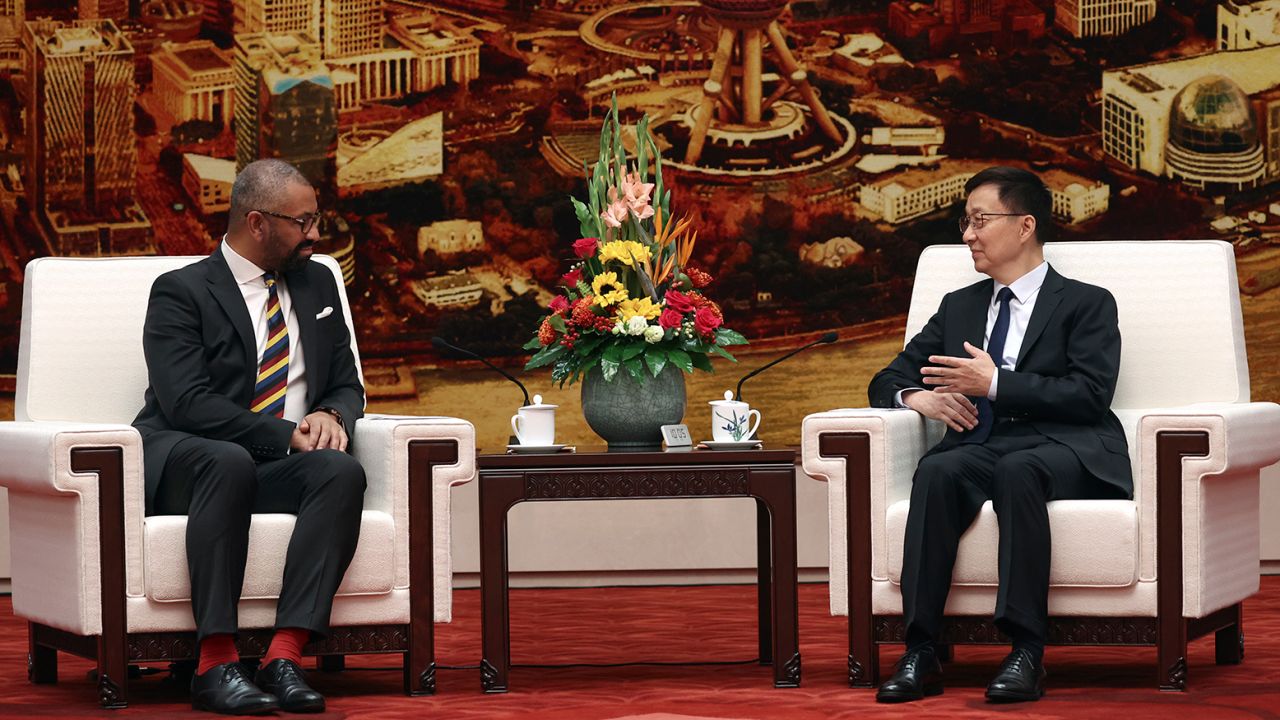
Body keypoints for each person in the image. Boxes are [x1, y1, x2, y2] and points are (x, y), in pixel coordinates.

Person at [868, 166, 1132, 703]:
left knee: (1019, 469)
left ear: (1025, 225)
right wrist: (918, 398)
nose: (967, 234)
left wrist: (996, 383)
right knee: (938, 468)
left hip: (1066, 445)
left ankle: (1025, 650)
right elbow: (887, 378)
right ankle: (921, 650)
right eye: (965, 222)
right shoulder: (960, 307)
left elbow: (1089, 395)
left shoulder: (1087, 303)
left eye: (980, 220)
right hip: (983, 445)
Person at [133, 159, 366, 715]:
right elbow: (186, 403)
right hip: (191, 461)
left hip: (271, 464)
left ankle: (284, 658)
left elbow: (346, 384)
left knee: (341, 471)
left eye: (317, 219)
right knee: (228, 461)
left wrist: (333, 413)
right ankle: (215, 665)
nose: (316, 234)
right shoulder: (181, 291)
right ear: (257, 223)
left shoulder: (319, 281)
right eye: (304, 221)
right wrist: (286, 435)